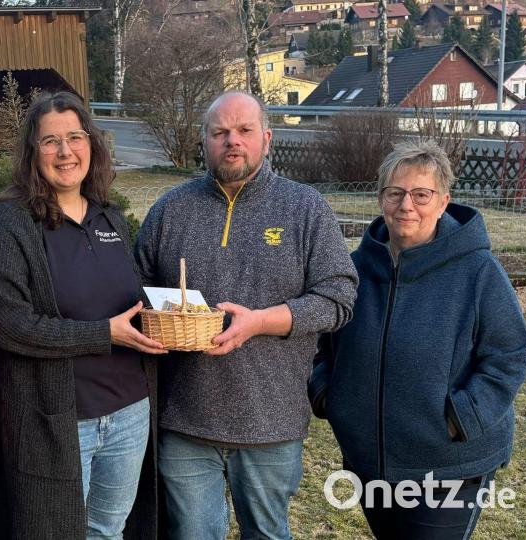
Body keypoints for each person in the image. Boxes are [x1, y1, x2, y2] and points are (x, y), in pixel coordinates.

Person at [134, 91, 358, 540]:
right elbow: (135, 293)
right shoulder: (170, 210)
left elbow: (339, 297)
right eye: (219, 132)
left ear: (267, 139)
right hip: (185, 421)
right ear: (205, 141)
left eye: (243, 131)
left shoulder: (305, 208)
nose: (231, 141)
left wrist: (261, 321)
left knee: (267, 534)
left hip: (270, 420)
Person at [308, 140, 526, 539]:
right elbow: (319, 340)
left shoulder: (478, 271)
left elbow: (509, 355)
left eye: (421, 194)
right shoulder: (353, 270)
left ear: (443, 201)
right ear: (381, 199)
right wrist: (329, 394)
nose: (406, 205)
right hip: (371, 461)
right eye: (395, 193)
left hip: (449, 465)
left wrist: (462, 417)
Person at [0, 91, 165, 540]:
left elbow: (128, 298)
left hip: (129, 411)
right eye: (50, 141)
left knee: (107, 530)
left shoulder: (110, 218)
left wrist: (168, 317)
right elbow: (11, 327)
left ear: (92, 145)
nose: (65, 152)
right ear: (31, 153)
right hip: (56, 418)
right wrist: (104, 334)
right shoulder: (11, 224)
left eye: (75, 137)